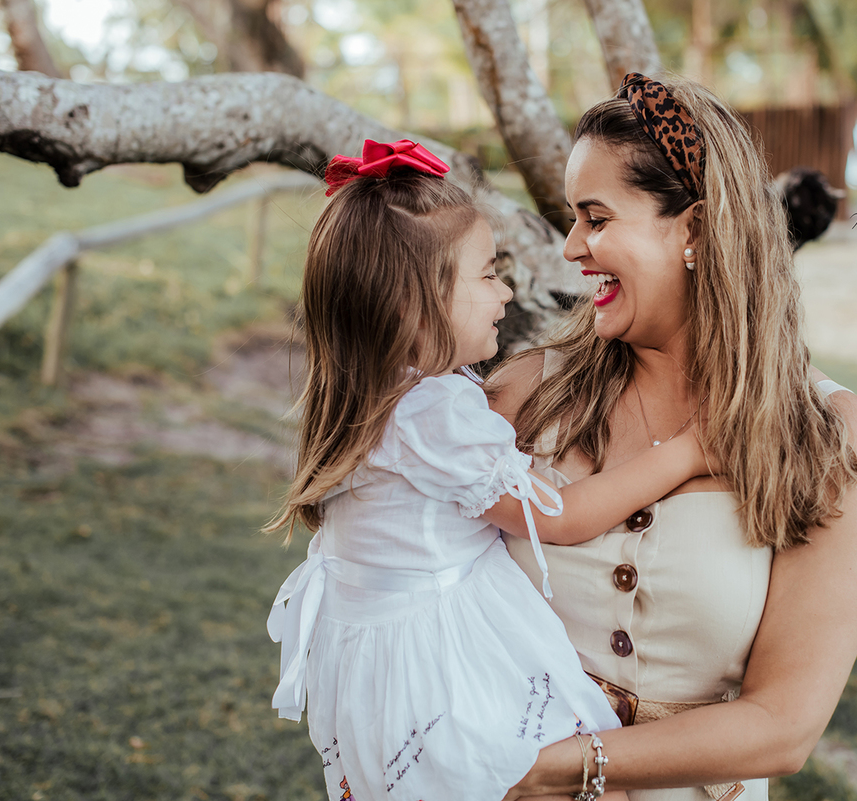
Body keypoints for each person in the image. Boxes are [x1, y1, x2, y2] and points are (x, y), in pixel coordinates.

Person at [264, 138, 716, 801]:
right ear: (413, 304)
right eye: (486, 275)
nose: (505, 291)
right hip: (448, 669)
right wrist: (688, 452)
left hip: (378, 671)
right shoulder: (434, 411)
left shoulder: (372, 398)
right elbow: (558, 516)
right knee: (585, 785)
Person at [487, 74, 857, 801]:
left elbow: (783, 725)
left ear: (696, 231)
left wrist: (555, 767)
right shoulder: (523, 397)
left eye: (596, 218)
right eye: (573, 219)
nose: (573, 247)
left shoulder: (831, 438)